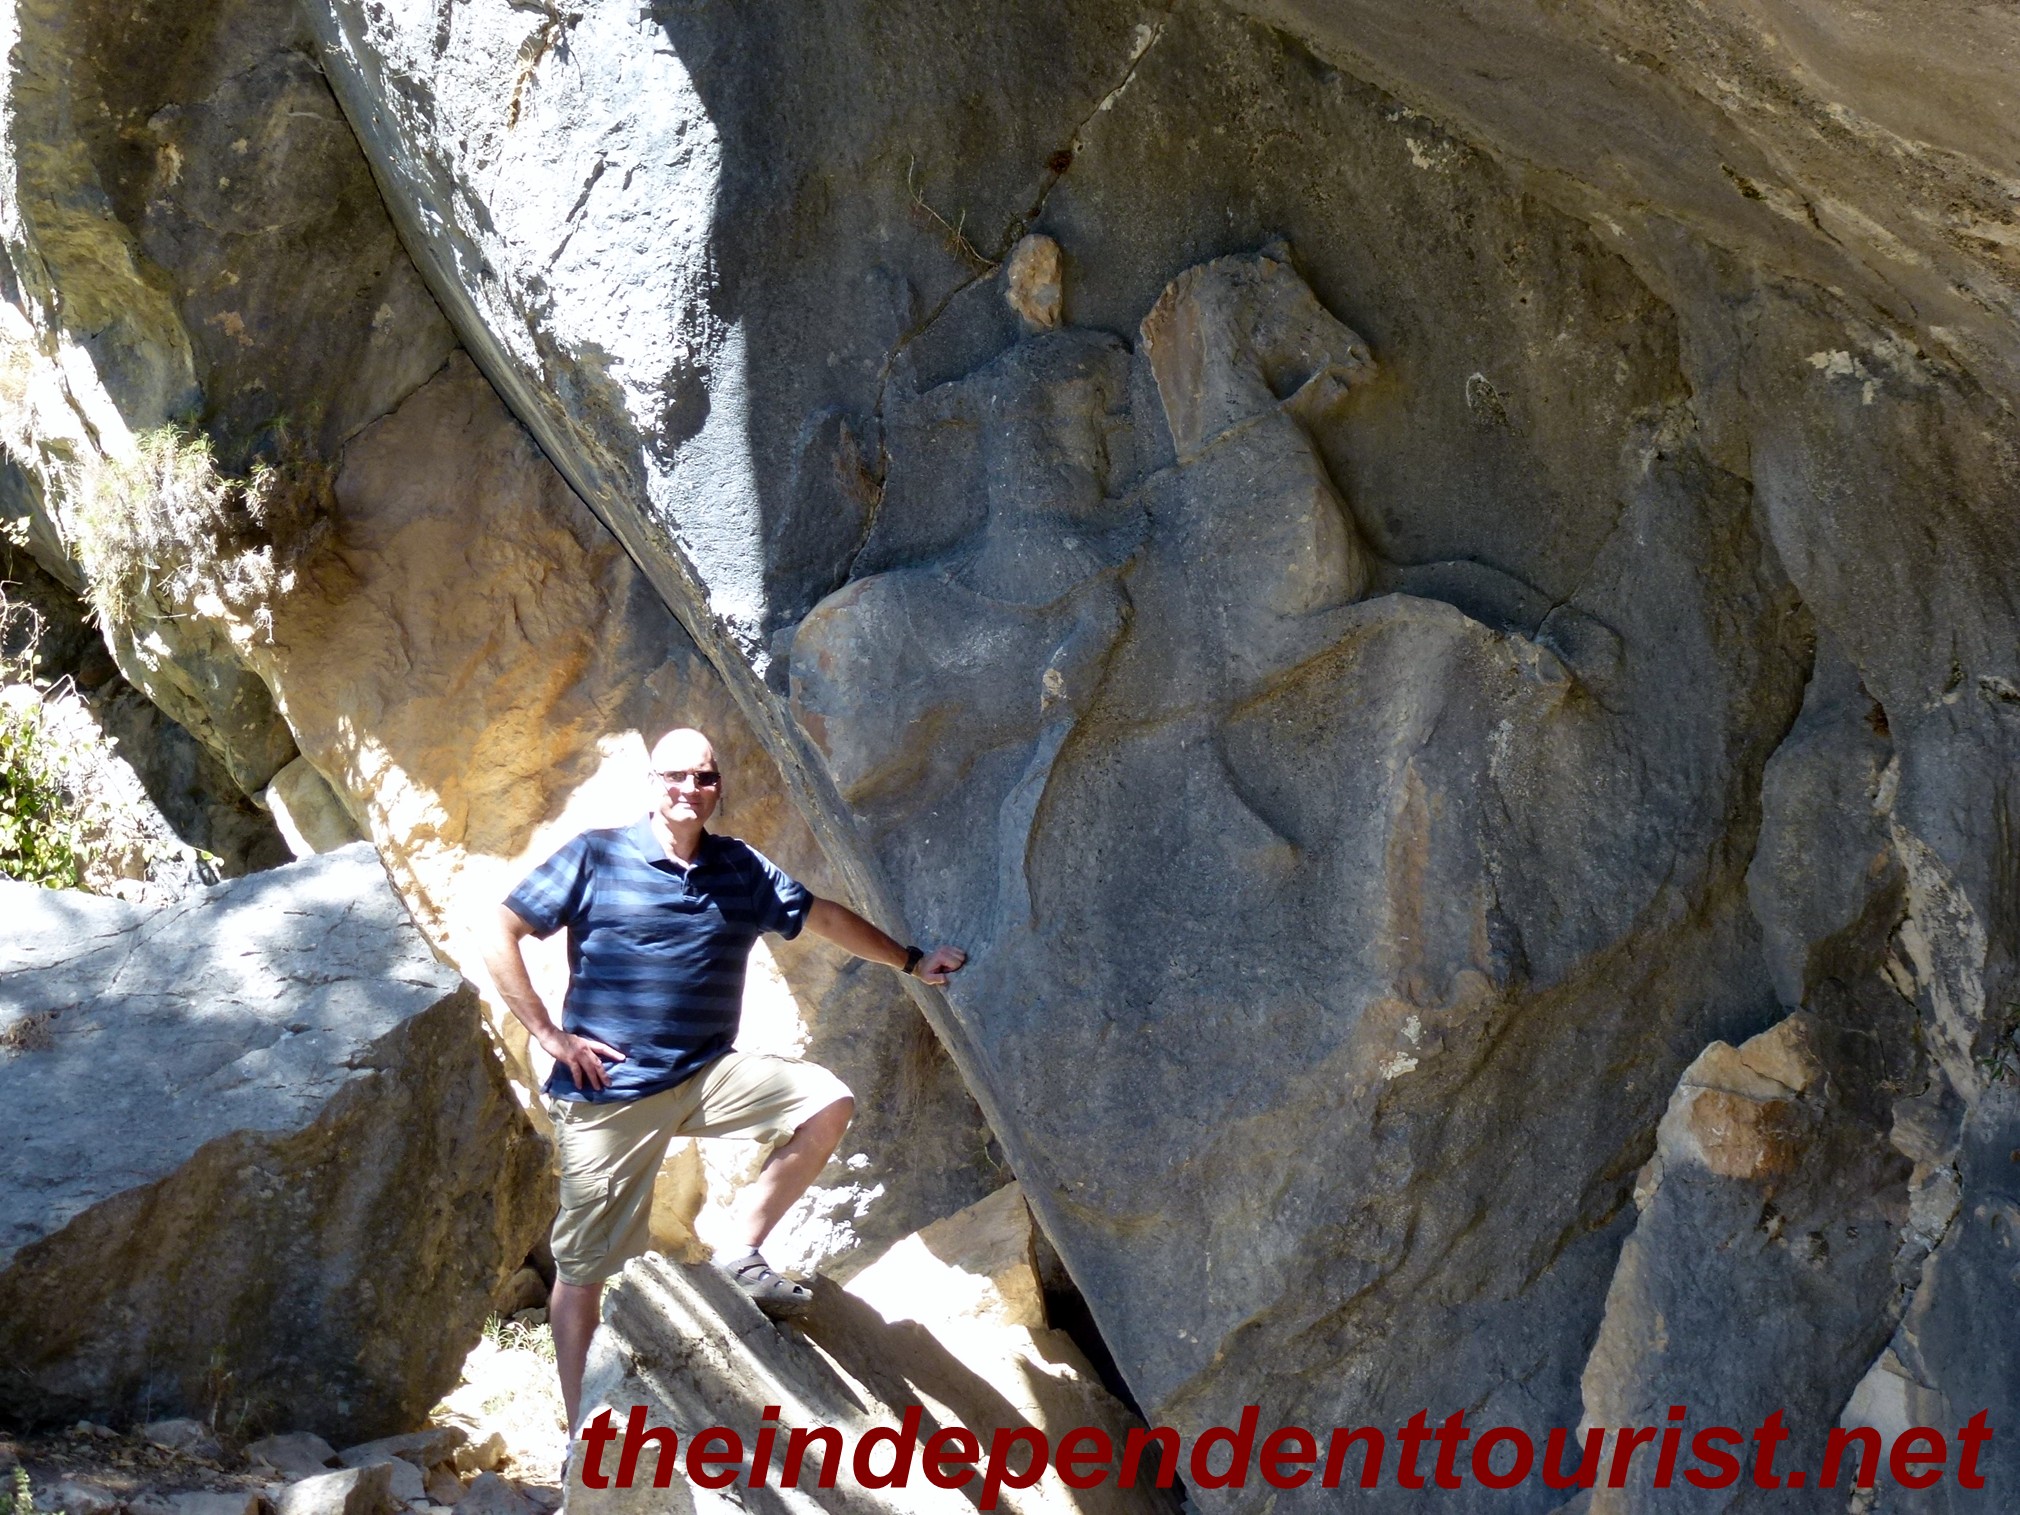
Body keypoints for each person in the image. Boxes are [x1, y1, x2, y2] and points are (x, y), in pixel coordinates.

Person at [481, 726, 966, 1434]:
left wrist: (910, 959)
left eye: (704, 778)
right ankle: (584, 1432)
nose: (689, 790)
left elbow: (821, 915)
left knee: (825, 1100)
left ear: (717, 787)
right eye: (675, 776)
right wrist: (548, 1034)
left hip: (706, 1074)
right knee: (582, 1270)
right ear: (652, 782)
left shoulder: (737, 867)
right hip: (610, 1095)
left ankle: (740, 1251)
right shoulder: (598, 856)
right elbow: (499, 926)